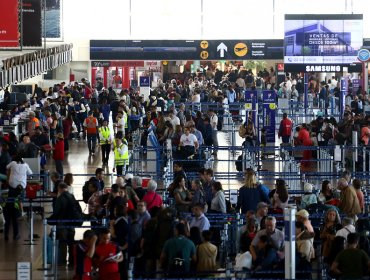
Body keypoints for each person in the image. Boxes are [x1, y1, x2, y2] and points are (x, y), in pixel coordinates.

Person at [48, 182, 78, 267]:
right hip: (71, 223)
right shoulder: (72, 196)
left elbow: (56, 212)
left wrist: (50, 220)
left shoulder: (60, 198)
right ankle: (72, 261)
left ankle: (62, 261)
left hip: (62, 223)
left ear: (60, 189)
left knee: (63, 242)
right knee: (71, 242)